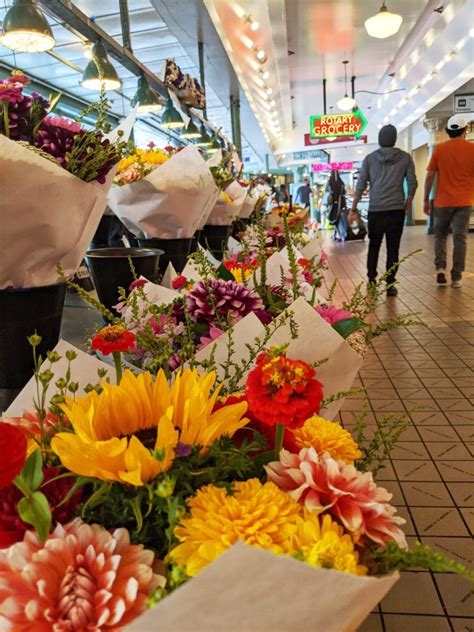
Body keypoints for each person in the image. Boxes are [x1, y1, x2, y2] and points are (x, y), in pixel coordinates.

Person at [351, 124, 417, 297]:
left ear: (380, 139)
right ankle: (390, 284)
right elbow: (412, 183)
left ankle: (372, 279)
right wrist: (406, 206)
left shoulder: (370, 159)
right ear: (394, 139)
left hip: (376, 210)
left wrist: (353, 207)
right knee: (393, 248)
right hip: (396, 210)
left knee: (374, 246)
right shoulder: (405, 158)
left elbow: (361, 185)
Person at [423, 113, 474, 288]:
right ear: (465, 130)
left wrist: (425, 200)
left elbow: (429, 176)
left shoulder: (439, 149)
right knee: (460, 239)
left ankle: (440, 269)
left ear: (447, 131)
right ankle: (457, 277)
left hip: (442, 202)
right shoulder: (472, 149)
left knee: (440, 236)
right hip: (465, 202)